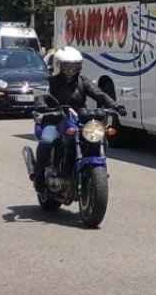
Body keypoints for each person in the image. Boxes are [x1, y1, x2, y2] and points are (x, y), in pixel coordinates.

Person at [34, 47, 121, 189]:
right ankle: (39, 178)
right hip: (56, 118)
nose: (71, 70)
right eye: (67, 66)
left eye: (75, 66)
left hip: (78, 119)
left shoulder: (82, 81)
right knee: (48, 139)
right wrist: (42, 106)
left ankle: (94, 171)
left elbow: (99, 94)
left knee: (98, 136)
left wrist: (115, 105)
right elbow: (41, 96)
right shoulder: (50, 82)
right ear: (58, 65)